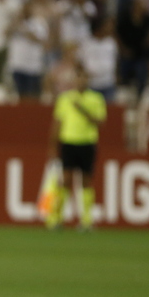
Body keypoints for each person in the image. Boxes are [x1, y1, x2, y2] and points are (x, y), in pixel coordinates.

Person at [45, 65, 106, 231]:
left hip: (87, 143)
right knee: (65, 180)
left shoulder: (96, 98)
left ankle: (86, 221)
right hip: (68, 142)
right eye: (79, 77)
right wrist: (52, 146)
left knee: (86, 181)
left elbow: (100, 121)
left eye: (84, 77)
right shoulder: (65, 98)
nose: (81, 80)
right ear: (75, 79)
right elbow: (57, 123)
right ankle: (57, 218)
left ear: (88, 80)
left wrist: (82, 110)